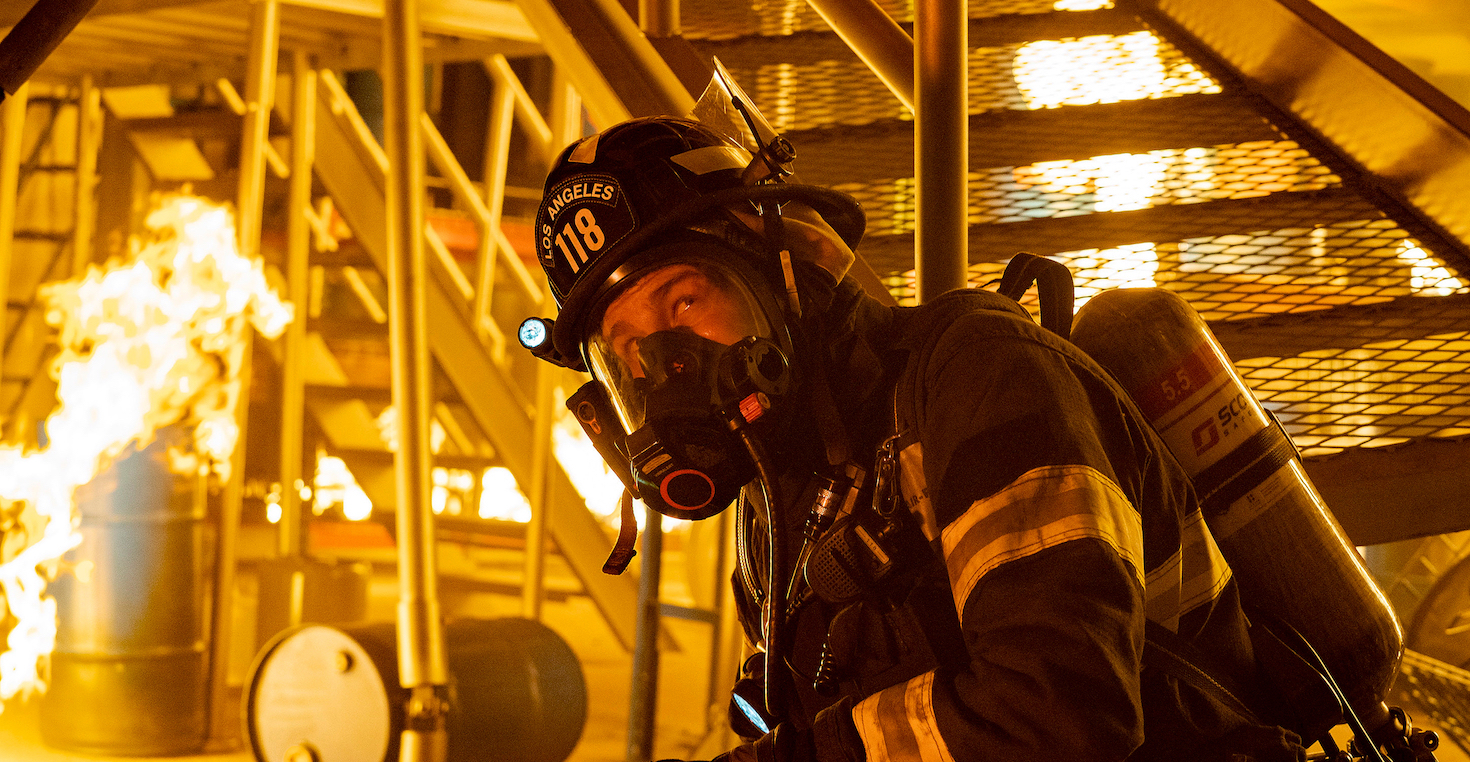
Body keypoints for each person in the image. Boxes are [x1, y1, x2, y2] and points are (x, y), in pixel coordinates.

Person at [521, 115, 1308, 762]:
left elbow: (1060, 717)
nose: (665, 365)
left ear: (779, 268)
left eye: (683, 302)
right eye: (626, 352)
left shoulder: (981, 378)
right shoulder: (780, 499)